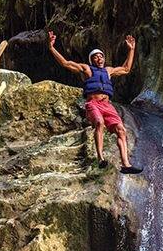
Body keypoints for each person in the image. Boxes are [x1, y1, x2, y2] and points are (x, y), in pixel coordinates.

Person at [48, 31, 143, 174]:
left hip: (107, 105)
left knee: (121, 130)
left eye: (101, 56)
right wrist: (51, 47)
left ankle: (126, 164)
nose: (99, 58)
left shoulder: (108, 71)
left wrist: (131, 49)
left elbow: (126, 69)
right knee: (99, 122)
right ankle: (100, 158)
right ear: (92, 60)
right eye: (96, 57)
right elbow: (65, 63)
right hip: (93, 103)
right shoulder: (87, 69)